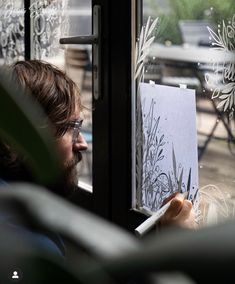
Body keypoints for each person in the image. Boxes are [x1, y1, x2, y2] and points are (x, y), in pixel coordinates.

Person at [0, 60, 196, 258]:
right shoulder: (27, 244)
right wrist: (172, 250)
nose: (83, 143)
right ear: (26, 137)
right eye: (73, 128)